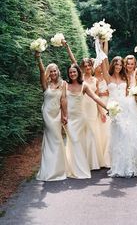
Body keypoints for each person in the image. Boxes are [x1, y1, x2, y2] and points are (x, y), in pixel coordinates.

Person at [101, 55, 137, 177]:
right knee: (118, 136)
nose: (119, 67)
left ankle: (129, 166)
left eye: (120, 65)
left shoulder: (125, 77)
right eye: (116, 65)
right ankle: (118, 166)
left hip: (126, 108)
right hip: (115, 109)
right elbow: (103, 61)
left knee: (127, 135)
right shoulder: (110, 77)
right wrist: (100, 42)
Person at [62, 40, 103, 169]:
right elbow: (73, 62)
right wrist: (68, 47)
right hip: (80, 106)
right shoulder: (79, 78)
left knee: (91, 133)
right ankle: (80, 160)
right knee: (80, 134)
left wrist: (103, 110)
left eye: (89, 65)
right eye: (84, 65)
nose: (87, 67)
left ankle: (91, 160)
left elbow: (96, 96)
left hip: (92, 107)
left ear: (92, 66)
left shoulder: (95, 80)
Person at [63, 64, 108, 179]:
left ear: (78, 72)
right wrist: (63, 115)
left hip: (81, 117)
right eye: (70, 72)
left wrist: (108, 108)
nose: (72, 74)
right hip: (70, 119)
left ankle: (82, 166)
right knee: (74, 141)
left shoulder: (84, 85)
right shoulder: (65, 85)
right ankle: (75, 167)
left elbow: (95, 97)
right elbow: (62, 101)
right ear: (68, 74)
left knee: (82, 141)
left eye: (74, 72)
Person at [35, 52, 68, 181]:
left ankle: (58, 169)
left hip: (57, 113)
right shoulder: (46, 84)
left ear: (58, 72)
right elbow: (42, 71)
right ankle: (49, 170)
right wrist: (38, 58)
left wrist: (65, 115)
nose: (53, 73)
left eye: (55, 71)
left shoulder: (63, 84)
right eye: (51, 71)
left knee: (58, 139)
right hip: (47, 113)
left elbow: (63, 100)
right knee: (52, 138)